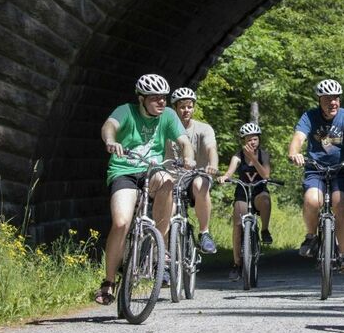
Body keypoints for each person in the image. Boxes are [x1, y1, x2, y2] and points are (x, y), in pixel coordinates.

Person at [94, 74, 194, 305]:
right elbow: (109, 126)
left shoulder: (168, 115)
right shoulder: (126, 111)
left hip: (152, 170)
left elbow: (184, 142)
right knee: (120, 223)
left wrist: (188, 158)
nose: (161, 103)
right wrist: (111, 141)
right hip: (124, 171)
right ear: (141, 99)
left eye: (163, 98)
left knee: (167, 180)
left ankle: (160, 244)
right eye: (155, 98)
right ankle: (108, 283)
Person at [287, 79, 344, 274]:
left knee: (340, 205)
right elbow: (298, 138)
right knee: (311, 201)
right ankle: (311, 236)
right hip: (315, 168)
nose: (333, 103)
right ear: (319, 100)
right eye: (328, 99)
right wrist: (294, 153)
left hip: (340, 169)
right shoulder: (309, 116)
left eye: (336, 99)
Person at [165, 87, 219, 254]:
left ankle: (204, 233)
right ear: (175, 109)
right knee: (169, 211)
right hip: (172, 178)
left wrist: (213, 164)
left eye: (189, 106)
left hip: (196, 174)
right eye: (182, 107)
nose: (186, 110)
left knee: (199, 184)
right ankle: (164, 258)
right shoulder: (166, 129)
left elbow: (211, 148)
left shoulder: (203, 129)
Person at [218, 122, 273, 281]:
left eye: (255, 139)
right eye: (249, 139)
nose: (252, 142)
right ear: (244, 140)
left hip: (258, 190)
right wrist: (225, 177)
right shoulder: (238, 156)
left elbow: (266, 175)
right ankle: (236, 264)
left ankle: (265, 230)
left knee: (266, 200)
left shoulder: (264, 155)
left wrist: (254, 160)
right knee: (237, 224)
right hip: (242, 191)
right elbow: (229, 171)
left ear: (259, 140)